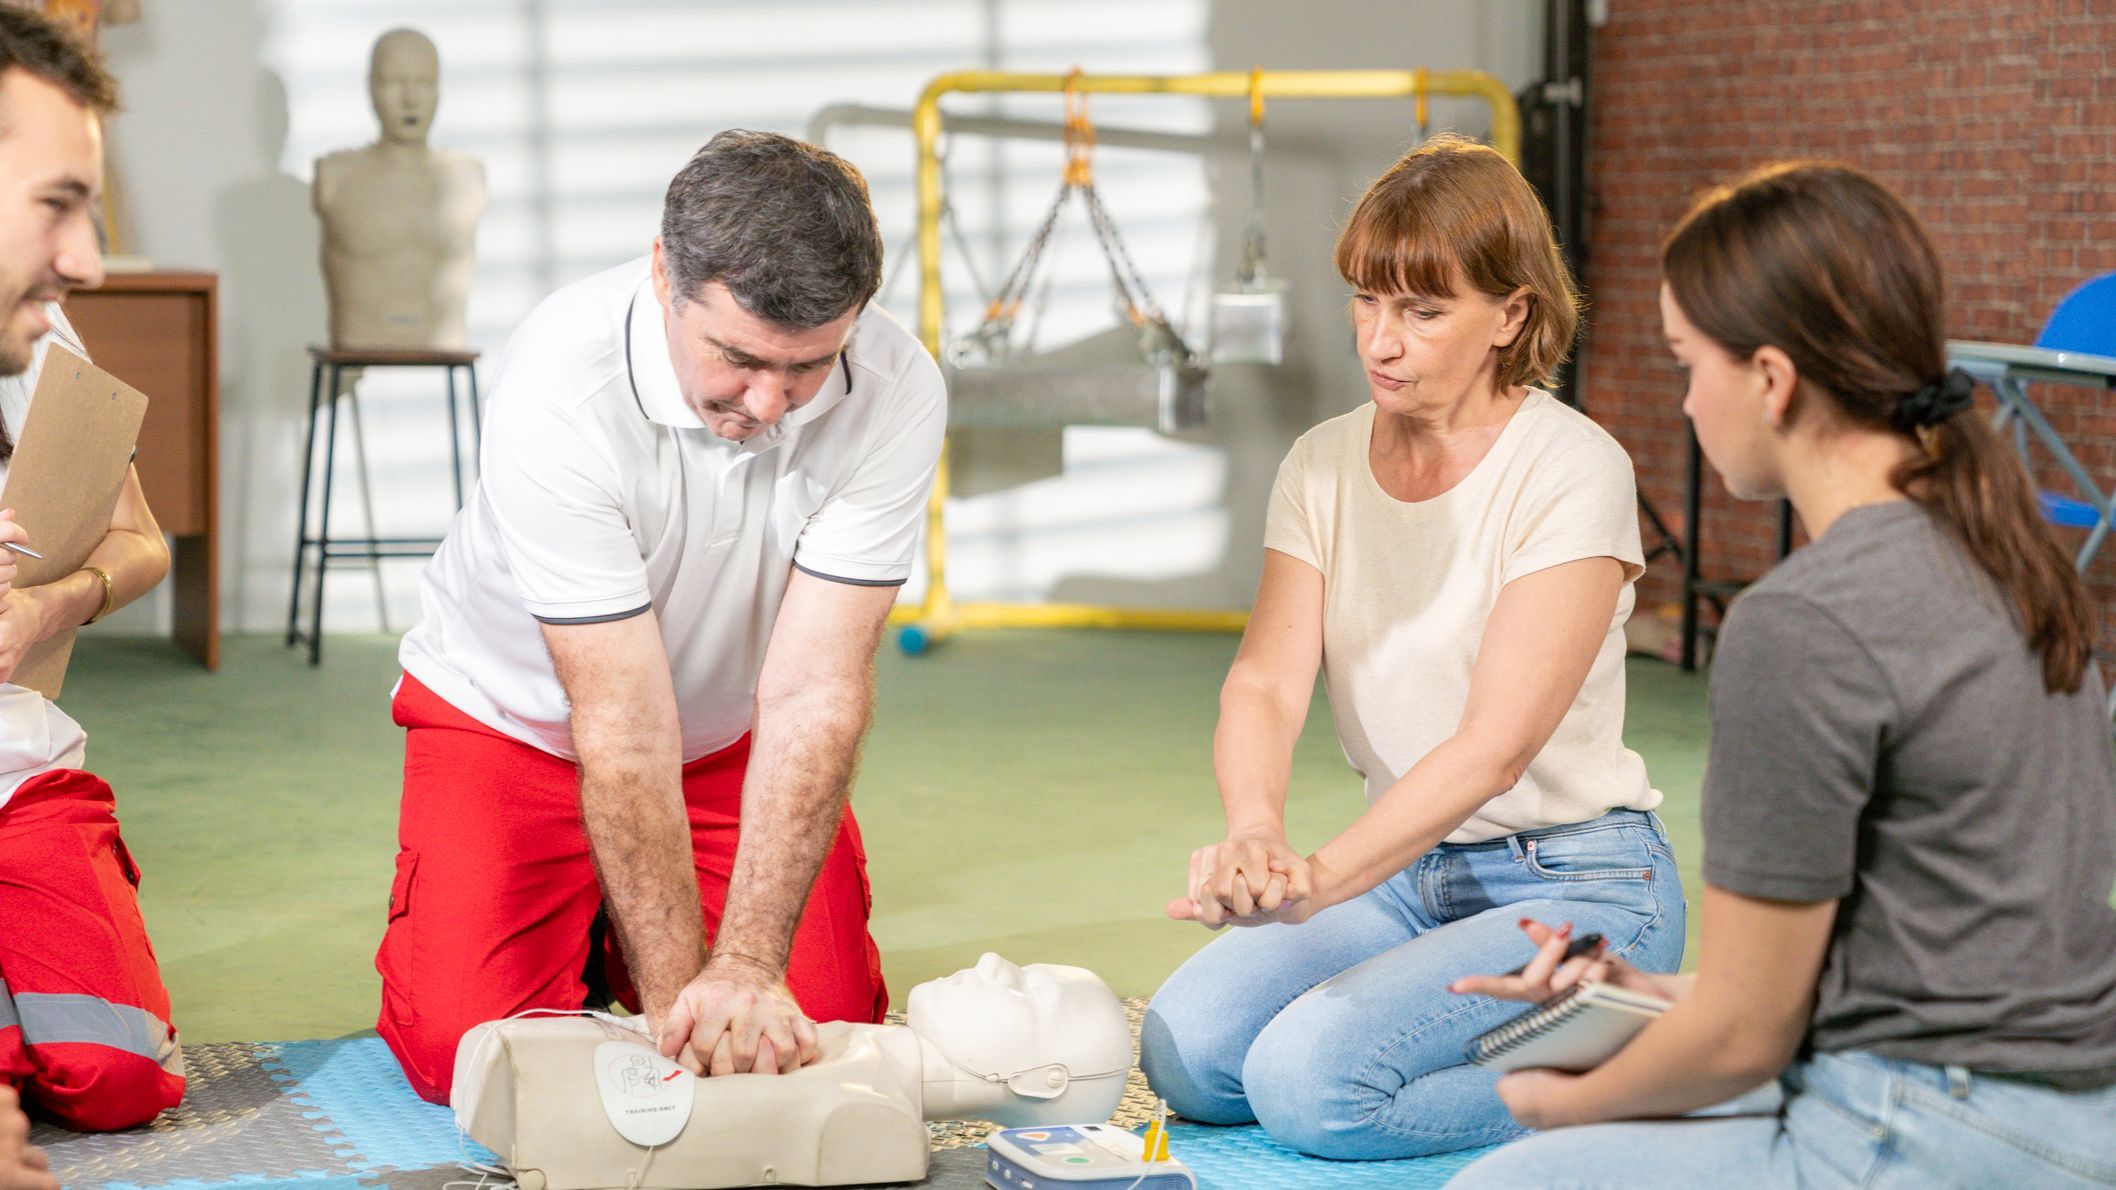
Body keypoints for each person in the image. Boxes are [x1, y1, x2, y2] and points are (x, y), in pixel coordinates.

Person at [1447, 163, 2116, 1188]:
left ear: (1770, 379)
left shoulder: (1802, 622)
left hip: (1935, 1122)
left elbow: (1741, 1042)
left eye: (1686, 362)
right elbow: (1923, 951)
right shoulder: (2011, 554)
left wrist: (1555, 1098)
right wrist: (1648, 995)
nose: (1683, 401)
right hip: (2073, 1111)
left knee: (1501, 1179)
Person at [1137, 134, 1683, 1160]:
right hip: (1409, 874)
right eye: (1367, 300)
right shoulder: (1324, 463)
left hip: (1574, 883)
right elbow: (1263, 676)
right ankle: (1547, 1035)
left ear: (1509, 315)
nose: (1380, 341)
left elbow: (1494, 750)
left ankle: (1646, 1046)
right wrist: (1255, 829)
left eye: (1423, 310)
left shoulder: (1571, 468)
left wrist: (1314, 879)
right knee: (1188, 1055)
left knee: (1310, 1088)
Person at [377, 129, 947, 1104]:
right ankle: (620, 936)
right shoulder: (561, 378)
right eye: (737, 357)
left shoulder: (897, 390)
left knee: (828, 1024)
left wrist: (749, 970)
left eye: (809, 364)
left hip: (727, 740)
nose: (769, 402)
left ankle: (621, 923)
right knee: (464, 1060)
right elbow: (622, 724)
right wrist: (690, 1003)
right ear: (660, 273)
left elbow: (814, 691)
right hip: (512, 724)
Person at [0, 7, 183, 1139]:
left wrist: (47, 606)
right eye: (57, 206)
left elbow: (142, 540)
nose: (90, 261)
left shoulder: (43, 339)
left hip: (17, 767)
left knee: (117, 1076)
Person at [452, 954, 1134, 1188]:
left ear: (1042, 1081)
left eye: (1026, 989)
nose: (993, 961)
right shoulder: (860, 1060)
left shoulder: (877, 1118)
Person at [313, 27, 484, 351]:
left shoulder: (468, 175)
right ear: (371, 87)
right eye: (394, 82)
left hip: (445, 339)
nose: (410, 99)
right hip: (356, 336)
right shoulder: (336, 175)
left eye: (424, 82)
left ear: (439, 89)